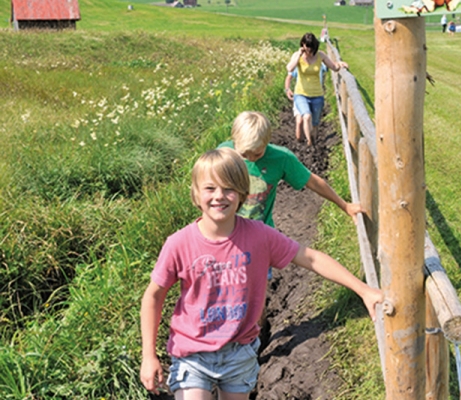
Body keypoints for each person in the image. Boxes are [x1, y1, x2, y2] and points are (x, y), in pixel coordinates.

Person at [139, 147, 384, 399]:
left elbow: (310, 258)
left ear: (243, 194)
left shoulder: (259, 235)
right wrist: (149, 355)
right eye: (210, 189)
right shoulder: (179, 244)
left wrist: (364, 290)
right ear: (195, 194)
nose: (219, 196)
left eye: (229, 189)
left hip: (240, 352)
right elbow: (153, 297)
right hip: (192, 353)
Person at [219, 111, 364, 231]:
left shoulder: (281, 158)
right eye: (244, 155)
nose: (251, 159)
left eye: (257, 154)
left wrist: (345, 205)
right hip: (225, 232)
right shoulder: (223, 154)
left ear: (267, 142)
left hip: (260, 233)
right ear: (234, 141)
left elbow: (313, 182)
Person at [286, 32, 348, 146]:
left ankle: (313, 144)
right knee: (306, 116)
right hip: (301, 93)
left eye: (311, 48)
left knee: (315, 124)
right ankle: (309, 143)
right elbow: (289, 68)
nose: (309, 51)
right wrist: (299, 55)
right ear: (303, 45)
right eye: (307, 48)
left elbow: (333, 67)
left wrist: (340, 64)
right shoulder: (297, 55)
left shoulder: (320, 55)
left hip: (317, 95)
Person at [284, 64, 328, 142]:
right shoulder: (299, 62)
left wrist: (338, 64)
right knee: (300, 121)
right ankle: (300, 142)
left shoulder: (318, 61)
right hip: (300, 95)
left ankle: (311, 143)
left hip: (315, 95)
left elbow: (330, 65)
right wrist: (287, 89)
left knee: (314, 122)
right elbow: (289, 76)